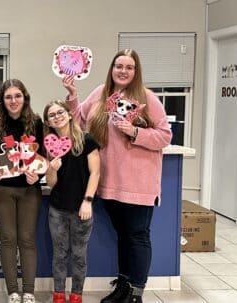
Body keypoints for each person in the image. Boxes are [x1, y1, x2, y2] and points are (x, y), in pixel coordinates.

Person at [62, 49, 172, 303]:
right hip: (109, 183)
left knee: (137, 236)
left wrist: (135, 132)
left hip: (138, 185)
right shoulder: (101, 93)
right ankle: (123, 286)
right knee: (124, 236)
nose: (123, 71)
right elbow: (79, 123)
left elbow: (165, 136)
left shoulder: (147, 98)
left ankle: (135, 293)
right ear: (112, 68)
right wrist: (72, 96)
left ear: (136, 71)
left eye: (129, 67)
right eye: (118, 66)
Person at [0, 79, 44, 303]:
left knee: (27, 239)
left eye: (17, 96)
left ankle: (29, 292)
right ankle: (13, 293)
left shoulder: (36, 123)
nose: (13, 101)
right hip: (1, 190)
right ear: (2, 100)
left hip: (29, 190)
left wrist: (38, 174)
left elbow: (43, 156)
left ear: (25, 97)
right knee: (8, 238)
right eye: (8, 97)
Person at [42, 100, 100, 303]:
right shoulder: (49, 146)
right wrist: (52, 169)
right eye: (51, 115)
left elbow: (95, 172)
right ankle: (59, 294)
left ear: (68, 114)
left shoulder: (86, 140)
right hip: (57, 209)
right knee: (59, 254)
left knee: (79, 254)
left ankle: (77, 295)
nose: (56, 116)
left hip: (81, 208)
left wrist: (88, 200)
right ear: (48, 122)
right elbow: (51, 184)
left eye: (60, 112)